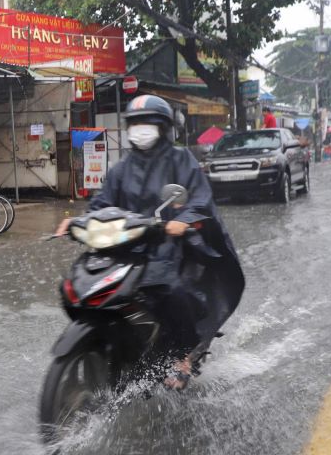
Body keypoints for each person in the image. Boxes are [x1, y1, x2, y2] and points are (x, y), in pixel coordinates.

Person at [55, 95, 245, 390]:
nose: (140, 129)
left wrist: (184, 220)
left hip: (170, 249)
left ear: (163, 128)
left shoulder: (182, 161)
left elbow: (199, 199)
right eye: (135, 124)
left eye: (148, 123)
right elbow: (102, 204)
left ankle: (184, 354)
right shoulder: (121, 169)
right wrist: (79, 221)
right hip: (126, 249)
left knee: (173, 290)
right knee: (78, 286)